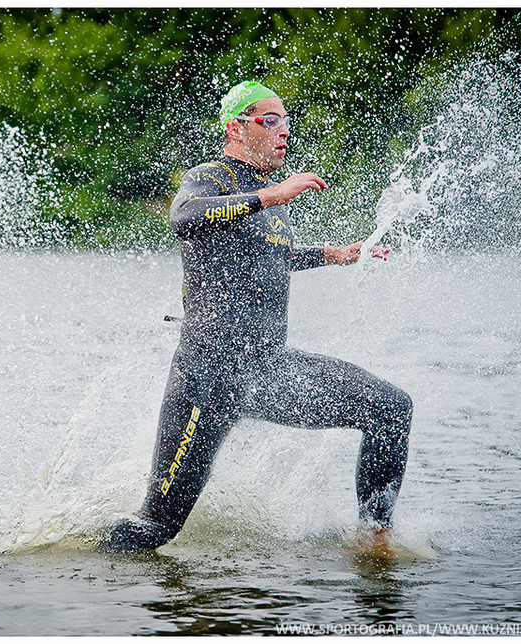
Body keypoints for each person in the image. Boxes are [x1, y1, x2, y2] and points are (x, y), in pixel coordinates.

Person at [100, 82, 412, 554]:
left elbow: (267, 257)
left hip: (267, 369)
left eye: (287, 121)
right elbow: (183, 218)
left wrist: (332, 254)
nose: (284, 132)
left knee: (390, 408)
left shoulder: (272, 202)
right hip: (208, 374)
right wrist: (273, 195)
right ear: (236, 128)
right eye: (270, 121)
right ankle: (76, 569)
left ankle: (374, 540)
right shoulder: (211, 177)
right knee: (156, 528)